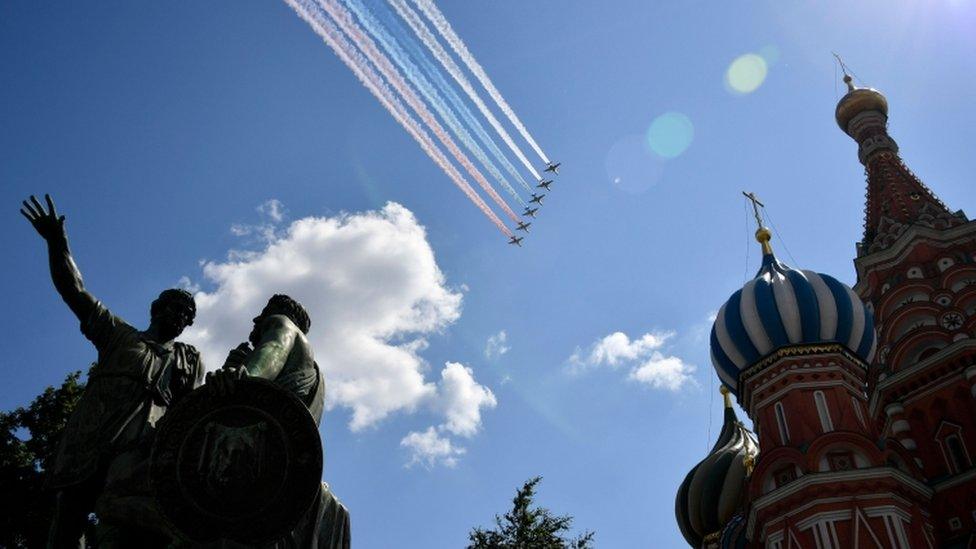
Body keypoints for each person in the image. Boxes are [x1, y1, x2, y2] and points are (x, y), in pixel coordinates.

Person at [20, 194, 205, 548]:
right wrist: (58, 244)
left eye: (186, 315)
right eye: (173, 307)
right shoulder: (119, 334)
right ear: (156, 309)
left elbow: (190, 410)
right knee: (67, 523)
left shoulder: (187, 358)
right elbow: (74, 290)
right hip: (91, 439)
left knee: (132, 525)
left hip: (140, 451)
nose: (179, 316)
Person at [210, 294, 350, 549]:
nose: (256, 319)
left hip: (258, 458)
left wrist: (242, 376)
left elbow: (273, 349)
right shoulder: (314, 369)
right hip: (291, 467)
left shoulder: (282, 324)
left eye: (264, 312)